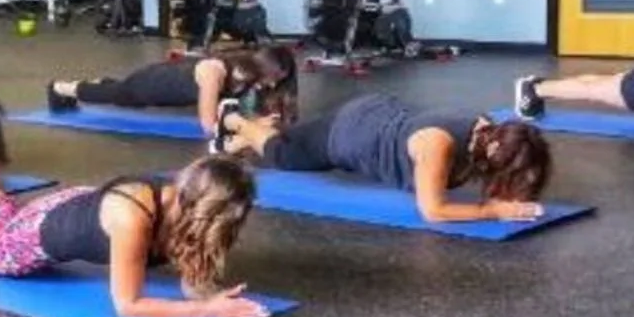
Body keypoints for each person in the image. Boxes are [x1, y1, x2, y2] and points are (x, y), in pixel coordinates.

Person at [0, 142, 269, 317]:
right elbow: (128, 306)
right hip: (54, 226)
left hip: (76, 204)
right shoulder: (133, 219)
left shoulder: (183, 195)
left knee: (10, 220)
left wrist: (209, 294)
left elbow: (190, 272)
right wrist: (208, 310)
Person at [211, 93, 553, 224]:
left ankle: (233, 143)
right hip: (354, 135)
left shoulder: (488, 131)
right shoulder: (438, 145)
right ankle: (235, 119)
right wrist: (493, 211)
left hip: (379, 114)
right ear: (494, 154)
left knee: (294, 139)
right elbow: (434, 211)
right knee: (285, 154)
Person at [45, 45, 299, 134]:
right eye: (273, 78)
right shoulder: (214, 72)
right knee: (116, 96)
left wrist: (260, 121)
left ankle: (101, 82)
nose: (273, 85)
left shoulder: (248, 77)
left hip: (164, 87)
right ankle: (59, 88)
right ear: (262, 68)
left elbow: (243, 112)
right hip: (151, 86)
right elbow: (208, 124)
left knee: (117, 89)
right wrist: (251, 128)